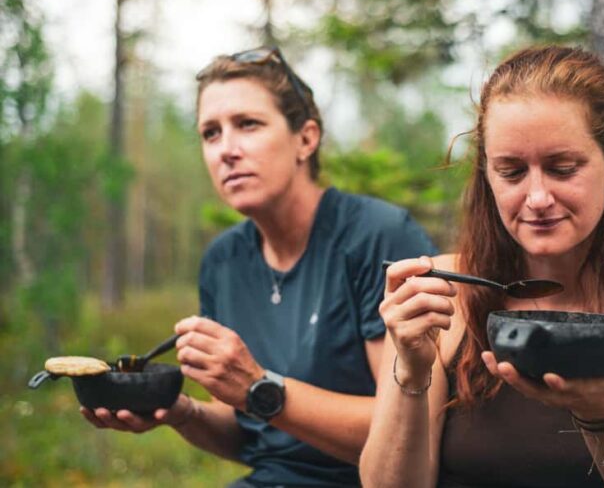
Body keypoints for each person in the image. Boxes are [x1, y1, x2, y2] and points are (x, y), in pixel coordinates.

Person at [360, 45, 604, 487]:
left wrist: (602, 413)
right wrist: (411, 368)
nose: (537, 198)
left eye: (562, 168)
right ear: (486, 172)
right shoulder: (443, 294)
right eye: (512, 171)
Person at [81, 46, 437, 487]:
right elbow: (248, 436)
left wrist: (259, 386)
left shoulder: (377, 238)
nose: (226, 150)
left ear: (306, 139)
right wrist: (181, 411)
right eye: (210, 133)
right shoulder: (223, 262)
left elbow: (411, 431)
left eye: (248, 125)